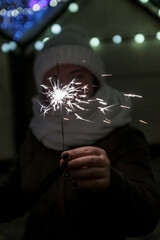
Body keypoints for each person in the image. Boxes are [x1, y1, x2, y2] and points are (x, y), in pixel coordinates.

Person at [0, 27, 160, 240]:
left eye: (76, 77)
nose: (65, 88)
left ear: (94, 80)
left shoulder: (124, 137)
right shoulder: (37, 131)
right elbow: (13, 197)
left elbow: (146, 218)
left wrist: (111, 184)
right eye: (53, 81)